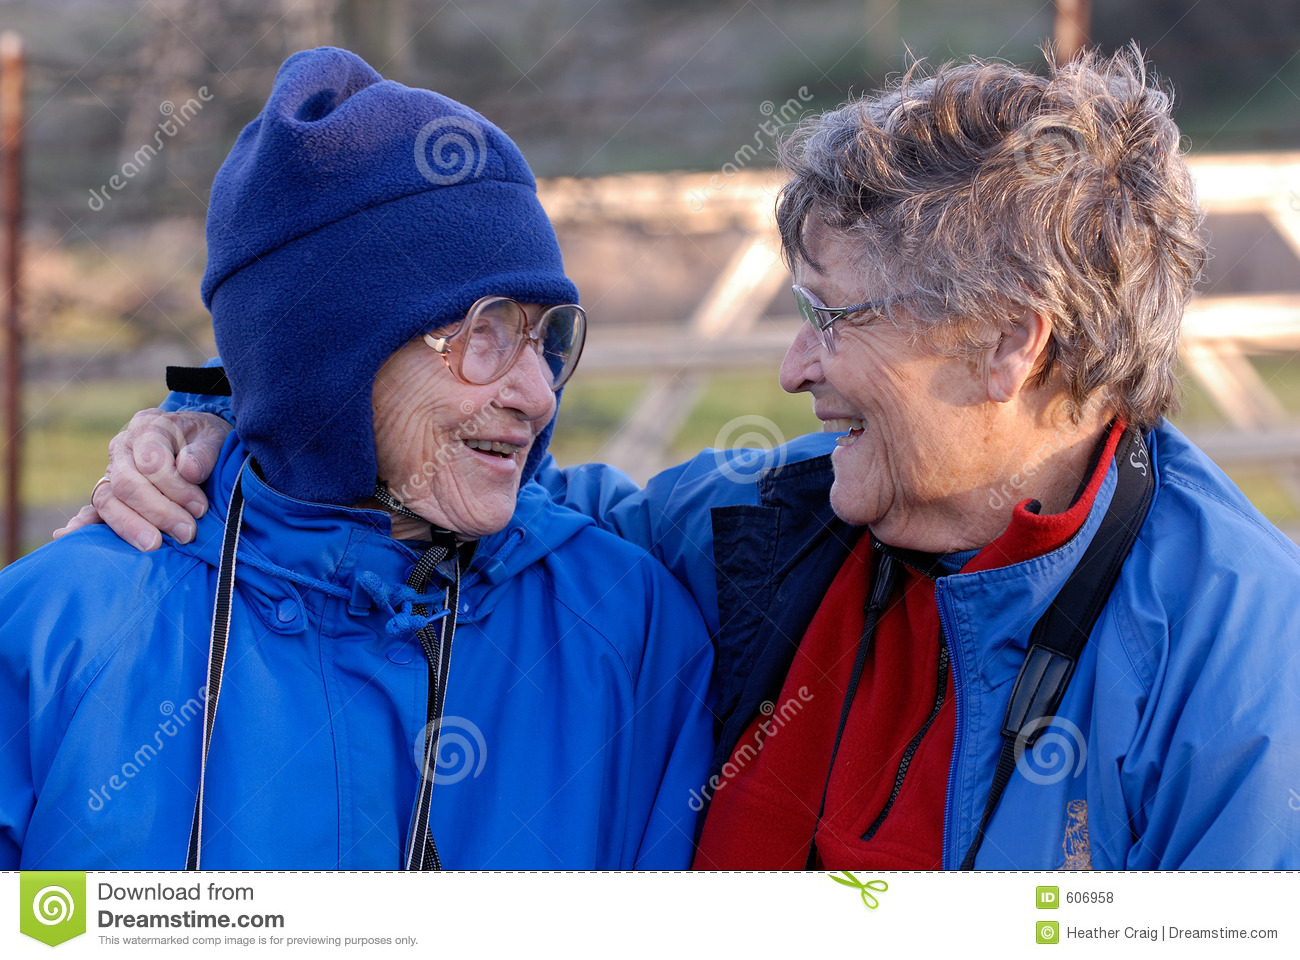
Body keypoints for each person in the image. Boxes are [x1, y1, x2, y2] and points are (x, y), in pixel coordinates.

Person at [77, 49, 1300, 869]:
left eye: (837, 316)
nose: (792, 369)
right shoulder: (756, 534)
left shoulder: (1241, 664)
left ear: (1004, 347)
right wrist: (234, 433)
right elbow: (464, 475)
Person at [0, 47, 714, 870]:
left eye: (544, 335)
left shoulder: (625, 631)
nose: (540, 395)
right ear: (328, 358)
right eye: (484, 331)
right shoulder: (61, 634)